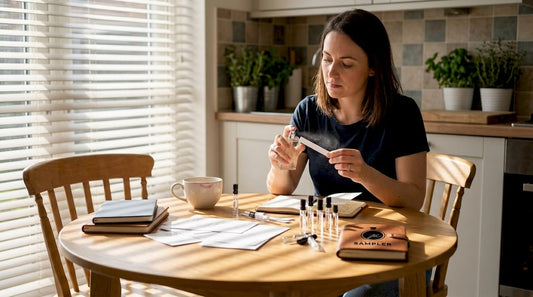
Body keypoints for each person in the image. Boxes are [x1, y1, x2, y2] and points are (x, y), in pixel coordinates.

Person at [266, 9, 430, 297]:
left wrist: (365, 174)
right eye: (327, 60)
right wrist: (281, 165)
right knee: (274, 281)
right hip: (327, 243)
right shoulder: (308, 111)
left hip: (388, 246)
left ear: (373, 67)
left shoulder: (402, 113)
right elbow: (282, 188)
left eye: (346, 63)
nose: (331, 72)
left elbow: (414, 199)